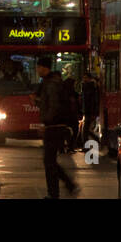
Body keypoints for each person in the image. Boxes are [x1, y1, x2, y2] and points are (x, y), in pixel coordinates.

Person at [34, 56, 79, 198]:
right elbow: (48, 104)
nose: (37, 70)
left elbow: (54, 106)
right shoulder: (51, 82)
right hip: (55, 126)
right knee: (50, 161)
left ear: (44, 68)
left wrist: (47, 123)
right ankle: (66, 186)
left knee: (49, 162)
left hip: (54, 127)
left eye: (38, 67)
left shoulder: (51, 84)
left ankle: (55, 193)